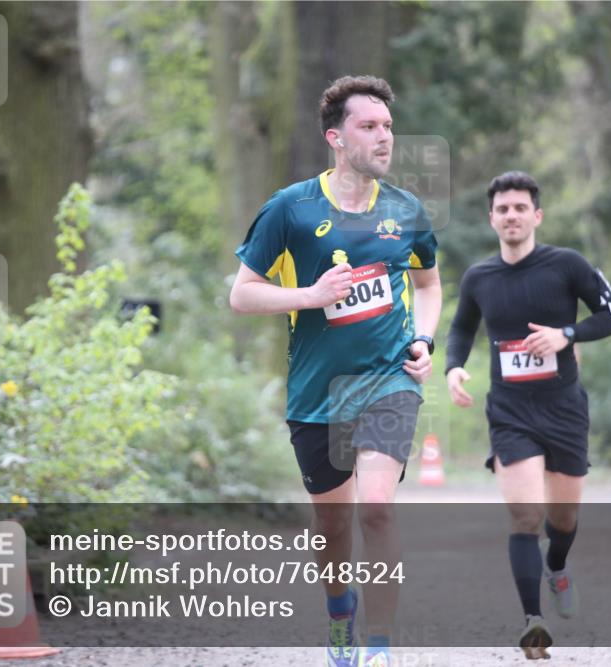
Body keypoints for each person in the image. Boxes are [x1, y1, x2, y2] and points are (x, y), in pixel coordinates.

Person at [229, 75, 441, 667]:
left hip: (388, 381)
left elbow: (428, 283)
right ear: (336, 137)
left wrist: (423, 339)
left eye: (388, 127)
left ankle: (379, 645)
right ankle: (340, 613)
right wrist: (310, 296)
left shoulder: (406, 211)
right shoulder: (290, 208)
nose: (384, 138)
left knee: (375, 508)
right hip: (316, 393)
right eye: (368, 127)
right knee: (334, 526)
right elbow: (242, 296)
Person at [444, 171, 611, 659]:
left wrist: (567, 333)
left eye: (520, 208)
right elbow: (461, 328)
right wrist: (454, 368)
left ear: (537, 215)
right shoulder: (480, 277)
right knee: (526, 514)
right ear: (492, 219)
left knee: (562, 519)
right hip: (510, 412)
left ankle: (558, 566)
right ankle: (533, 621)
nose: (512, 216)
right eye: (503, 209)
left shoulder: (567, 265)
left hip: (564, 410)